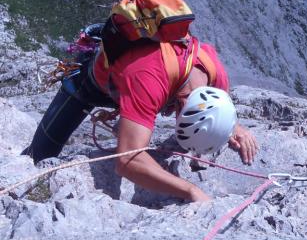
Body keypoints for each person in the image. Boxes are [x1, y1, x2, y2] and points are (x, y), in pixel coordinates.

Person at [23, 27, 258, 202]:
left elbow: (219, 107)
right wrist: (190, 189)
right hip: (89, 84)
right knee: (37, 157)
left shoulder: (215, 76)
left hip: (134, 80)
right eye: (179, 116)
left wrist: (232, 126)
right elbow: (128, 161)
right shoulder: (149, 80)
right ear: (183, 102)